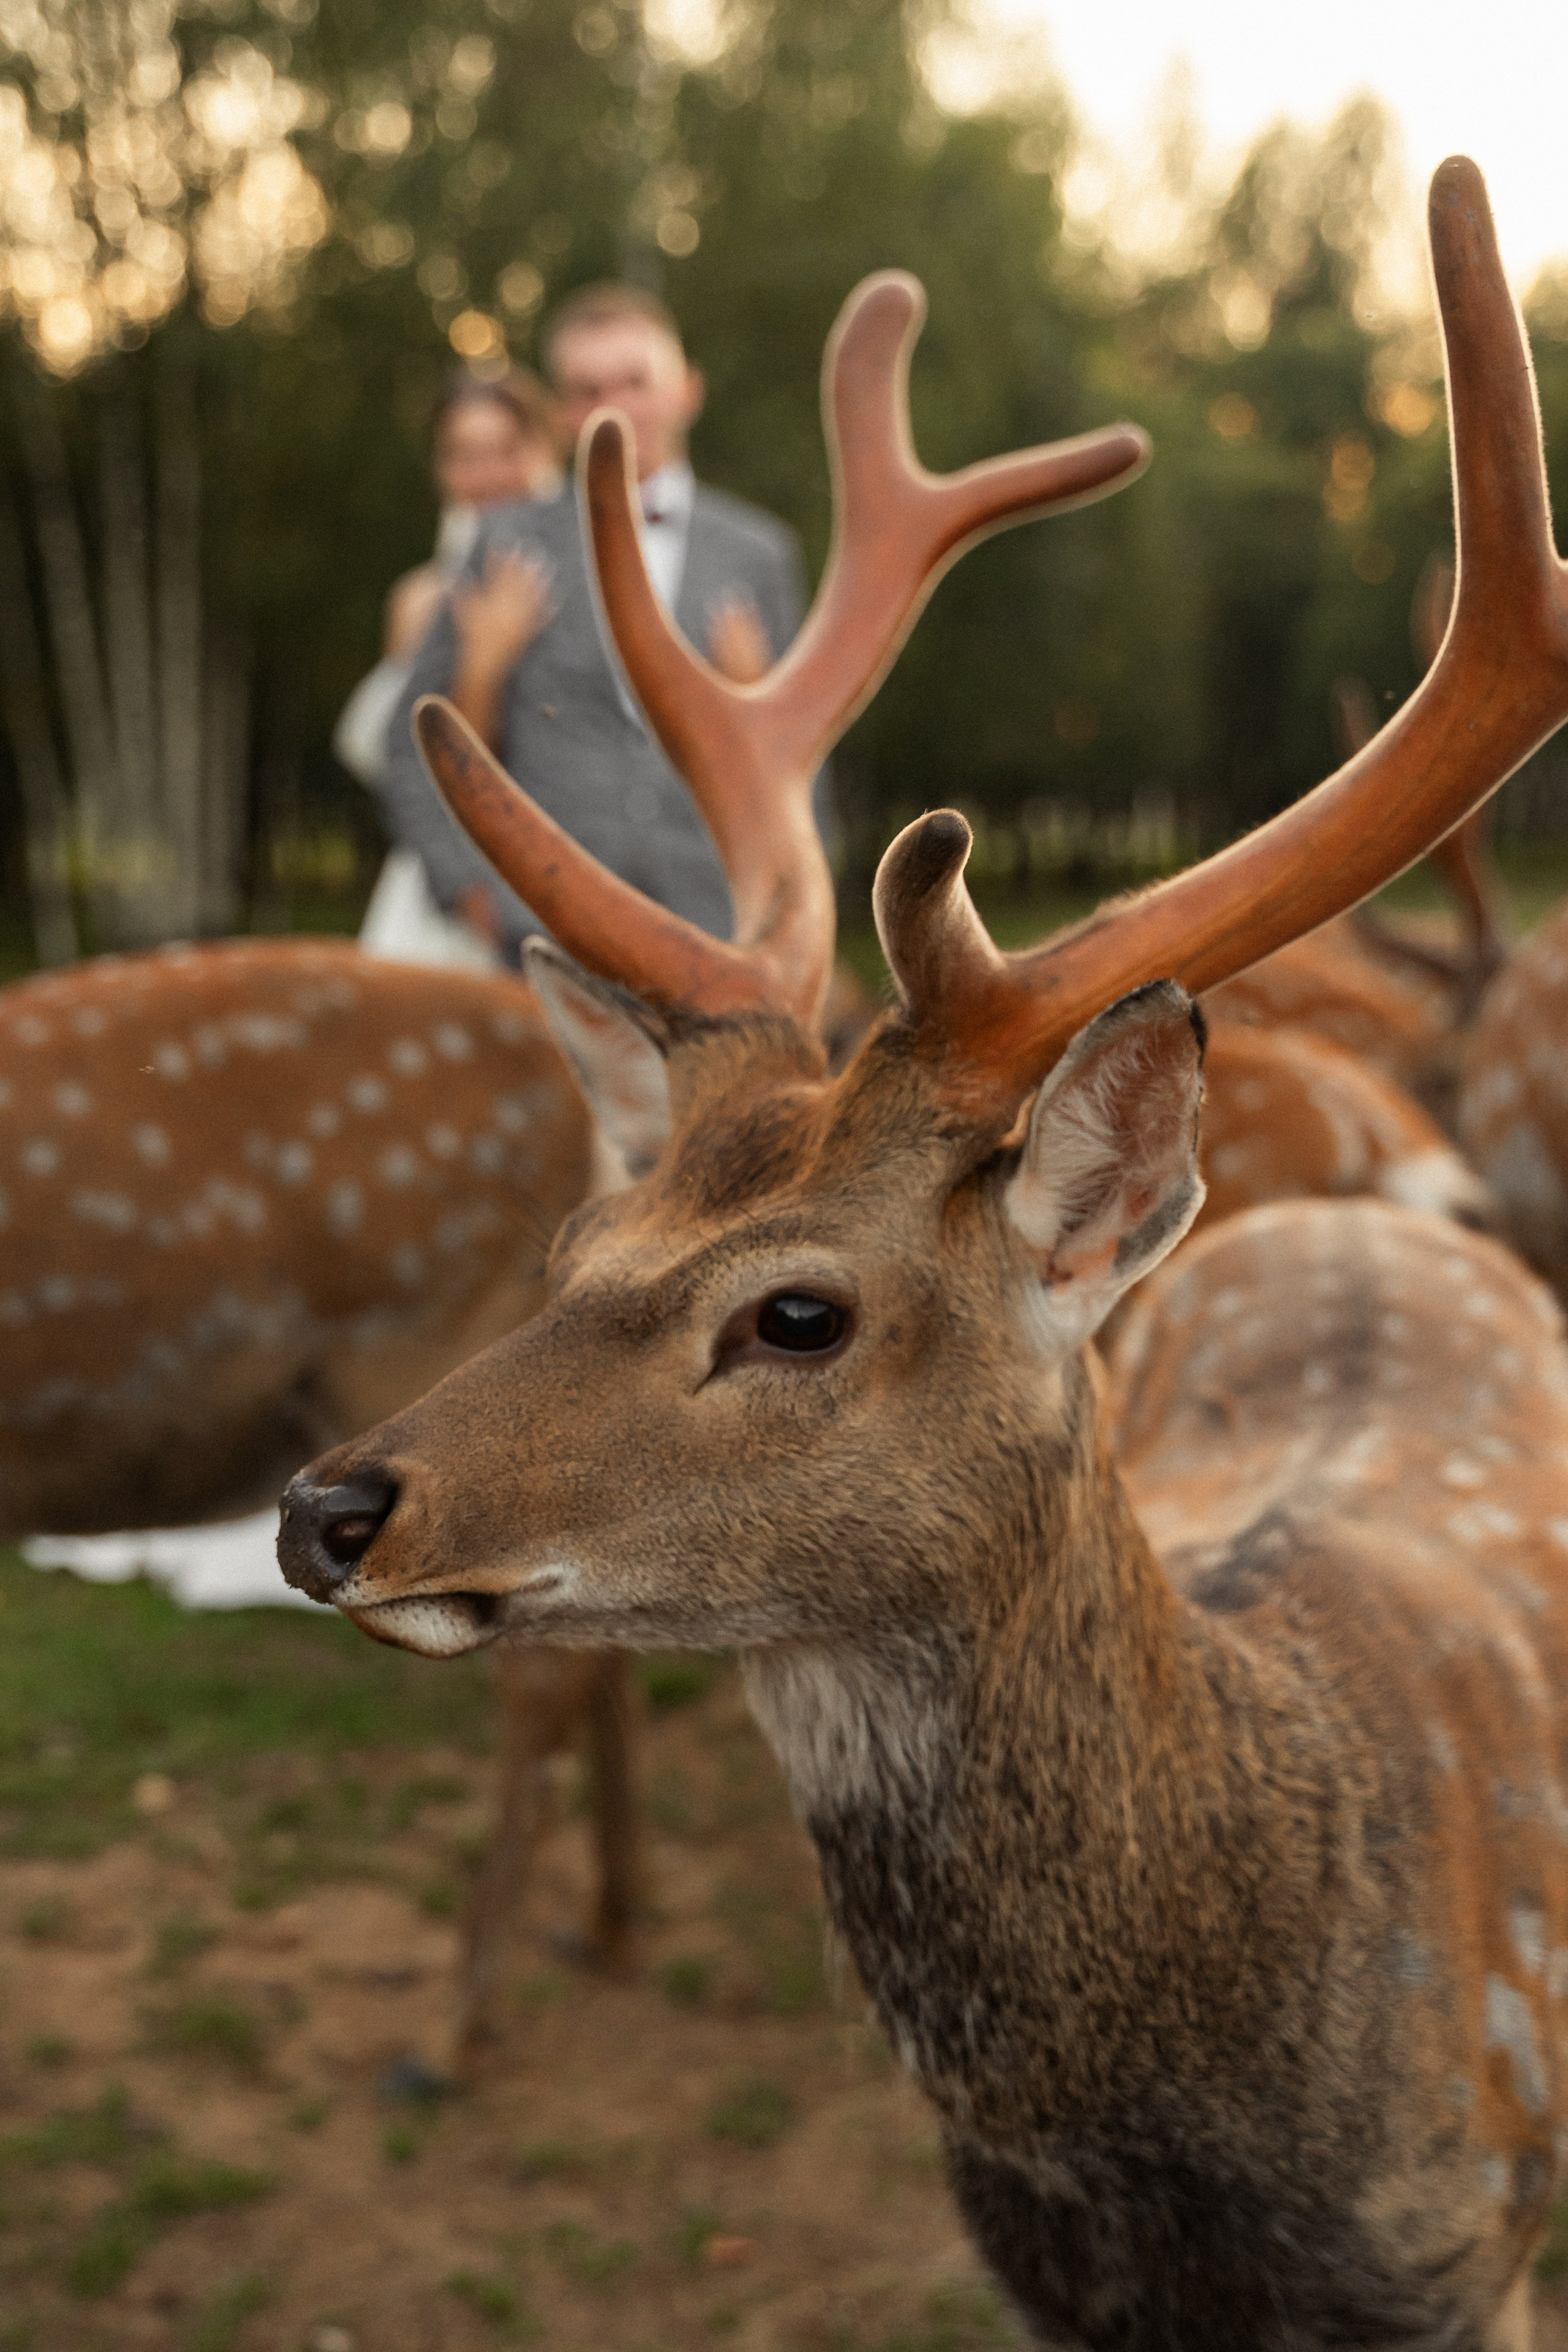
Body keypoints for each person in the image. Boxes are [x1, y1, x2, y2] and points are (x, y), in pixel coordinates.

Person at [381, 283, 814, 960]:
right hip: (547, 943)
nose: (614, 408)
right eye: (586, 390)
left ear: (687, 391)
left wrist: (793, 914)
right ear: (558, 413)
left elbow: (810, 766)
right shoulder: (503, 545)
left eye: (636, 381)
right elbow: (410, 742)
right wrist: (468, 892)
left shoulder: (756, 555)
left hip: (718, 937)